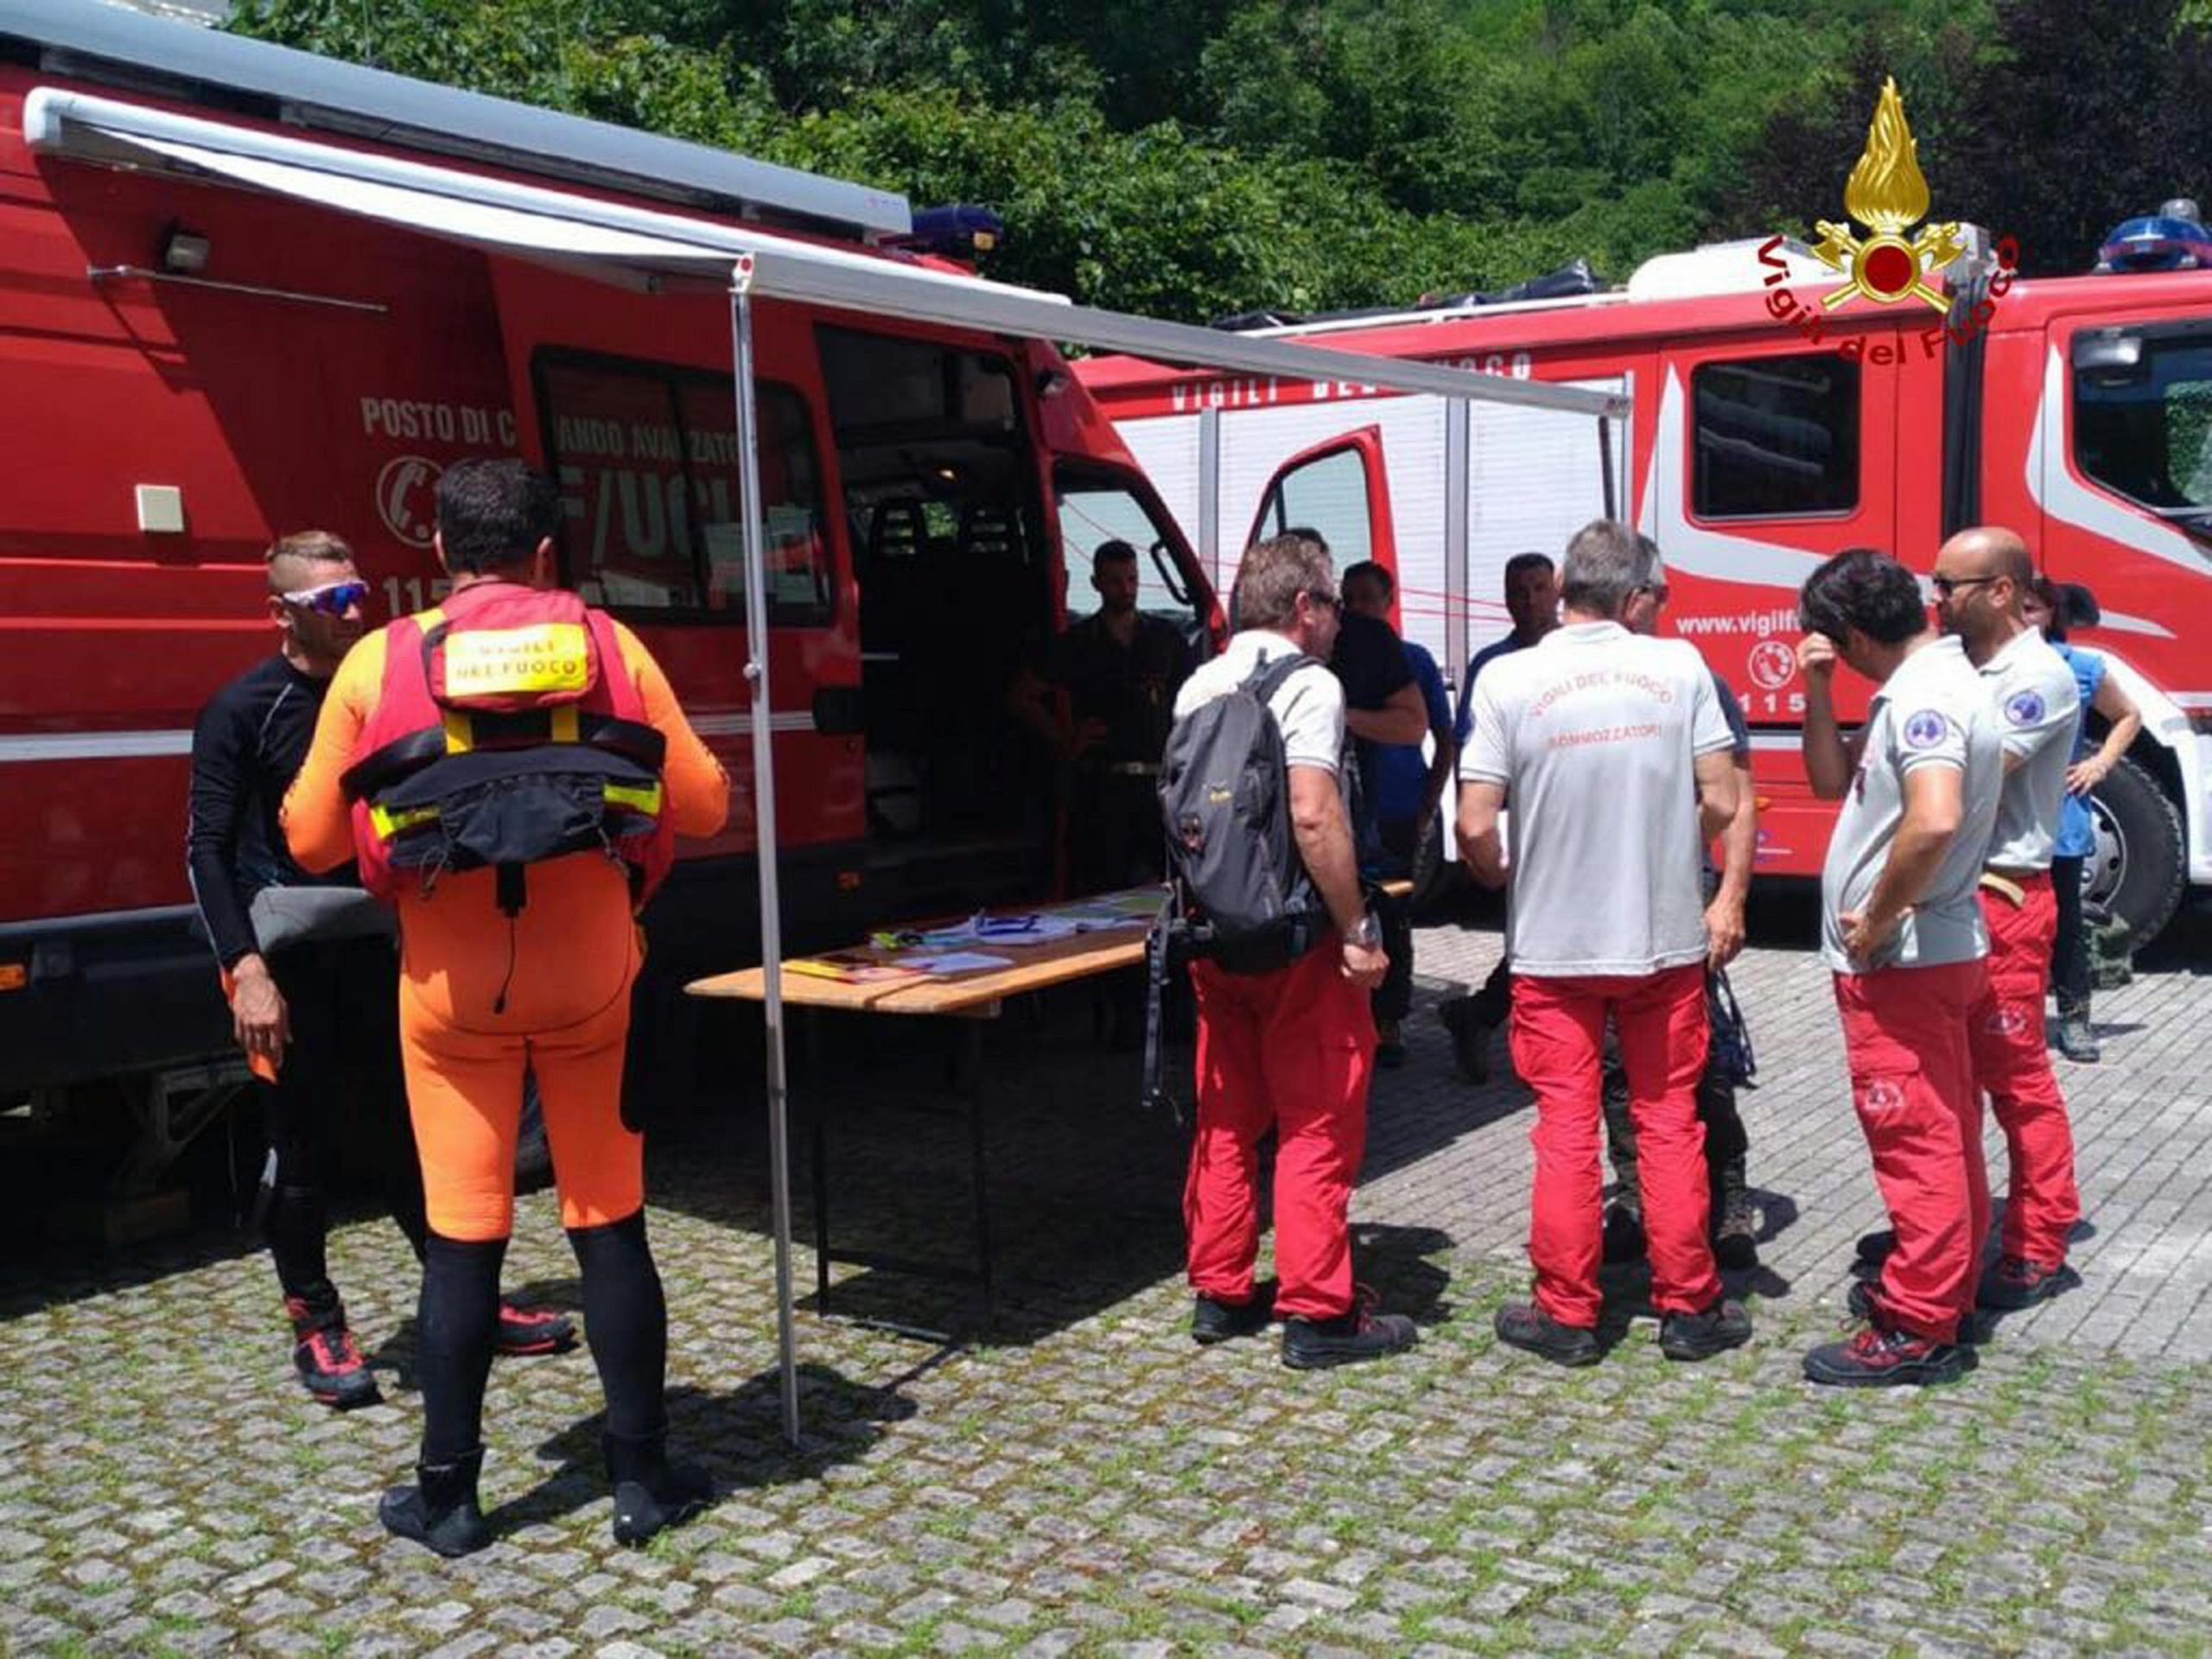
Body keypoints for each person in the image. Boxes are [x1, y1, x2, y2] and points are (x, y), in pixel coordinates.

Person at [284, 461, 730, 1554]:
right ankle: (640, 1479)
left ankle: (448, 1498)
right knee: (609, 1222)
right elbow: (707, 806)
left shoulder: (383, 658)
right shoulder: (612, 647)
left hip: (450, 990)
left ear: (440, 551)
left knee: (462, 1235)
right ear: (544, 552)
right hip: (593, 977)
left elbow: (311, 841)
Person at [187, 531, 573, 1414]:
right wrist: (245, 969)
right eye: (331, 600)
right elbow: (204, 849)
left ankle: (465, 1303)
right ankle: (316, 1324)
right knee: (301, 1147)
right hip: (285, 955)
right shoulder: (242, 709)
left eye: (357, 592)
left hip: (386, 946)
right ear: (281, 612)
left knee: (419, 1134)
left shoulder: (384, 689)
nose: (355, 610)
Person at [1459, 520, 1750, 1367]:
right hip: (1662, 941)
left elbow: (1474, 823)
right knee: (1668, 1120)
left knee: (1563, 1126)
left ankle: (1567, 1312)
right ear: (1633, 596)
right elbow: (1724, 799)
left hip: (1553, 946)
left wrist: (1504, 873)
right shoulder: (1680, 666)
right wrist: (1668, 846)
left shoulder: (1508, 675)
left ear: (1562, 588)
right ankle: (1690, 1305)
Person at [1173, 532, 1419, 1370]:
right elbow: (1313, 813)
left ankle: (1220, 1289)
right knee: (1316, 1120)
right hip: (1296, 943)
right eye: (1334, 609)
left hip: (1215, 935)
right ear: (1305, 607)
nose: (1340, 626)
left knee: (1227, 1118)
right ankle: (1318, 1311)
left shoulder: (1199, 683)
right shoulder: (1311, 685)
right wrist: (1356, 930)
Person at [1796, 547, 2001, 1388]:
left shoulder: (1925, 697)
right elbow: (1828, 784)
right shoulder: (1928, 684)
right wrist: (1817, 690)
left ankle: (1918, 1322)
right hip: (1932, 954)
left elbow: (1934, 818)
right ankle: (1947, 1285)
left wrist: (1878, 917)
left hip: (1904, 961)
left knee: (1914, 1136)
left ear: (1850, 633)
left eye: (1831, 646)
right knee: (1944, 1128)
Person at [1928, 529, 2083, 1312]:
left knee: (2017, 1081)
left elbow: (1971, 777)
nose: (1936, 600)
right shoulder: (1956, 662)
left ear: (2000, 591)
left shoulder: (2038, 676)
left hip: (2006, 896)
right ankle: (1958, 1228)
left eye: (1948, 586)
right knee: (1950, 1077)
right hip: (1956, 894)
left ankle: (2038, 1242)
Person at [1596, 546, 1763, 1272]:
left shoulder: (1694, 678)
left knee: (1696, 1056)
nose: (1662, 607)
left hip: (1677, 897)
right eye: (1658, 595)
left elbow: (1741, 797)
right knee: (1613, 1063)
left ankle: (1728, 1198)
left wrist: (1730, 897)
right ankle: (1636, 1198)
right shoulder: (1568, 682)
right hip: (1598, 904)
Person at [1007, 539, 1194, 893]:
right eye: (1115, 581)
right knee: (1101, 889)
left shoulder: (1165, 638)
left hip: (1157, 786)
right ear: (1096, 583)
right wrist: (1065, 740)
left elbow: (1193, 701)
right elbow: (1022, 696)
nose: (1126, 589)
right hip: (1102, 787)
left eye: (1132, 579)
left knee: (1172, 890)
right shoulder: (1079, 643)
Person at [1439, 552, 1560, 1081]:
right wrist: (1473, 835)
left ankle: (1479, 1015)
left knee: (1552, 932)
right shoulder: (1492, 665)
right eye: (1518, 591)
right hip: (1520, 820)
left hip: (1573, 815)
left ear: (1557, 592)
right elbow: (1470, 754)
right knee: (1538, 934)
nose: (1529, 601)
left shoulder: (1577, 655)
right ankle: (1497, 1020)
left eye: (1538, 588)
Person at [1341, 559, 1457, 1067]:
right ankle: (1351, 1017)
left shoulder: (1413, 659)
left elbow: (1443, 737)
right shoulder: (1337, 657)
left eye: (1368, 597)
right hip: (1349, 815)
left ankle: (1390, 1019)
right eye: (1349, 599)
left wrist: (1429, 802)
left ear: (1389, 601)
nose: (1358, 607)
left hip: (1398, 810)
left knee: (1394, 917)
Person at [2024, 578, 2141, 1063]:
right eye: (2016, 609)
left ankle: (2075, 1018)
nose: (2022, 618)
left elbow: (2128, 715)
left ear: (2052, 614)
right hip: (2000, 818)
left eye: (2031, 609)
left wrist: (2100, 764)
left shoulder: (2080, 667)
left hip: (2060, 814)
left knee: (2064, 921)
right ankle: (2012, 1017)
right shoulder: (1980, 665)